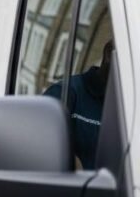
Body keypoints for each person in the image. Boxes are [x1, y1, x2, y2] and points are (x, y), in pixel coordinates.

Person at [43, 39, 114, 169]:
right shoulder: (64, 93)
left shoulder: (132, 108)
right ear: (110, 54)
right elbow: (35, 144)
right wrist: (71, 163)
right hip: (70, 188)